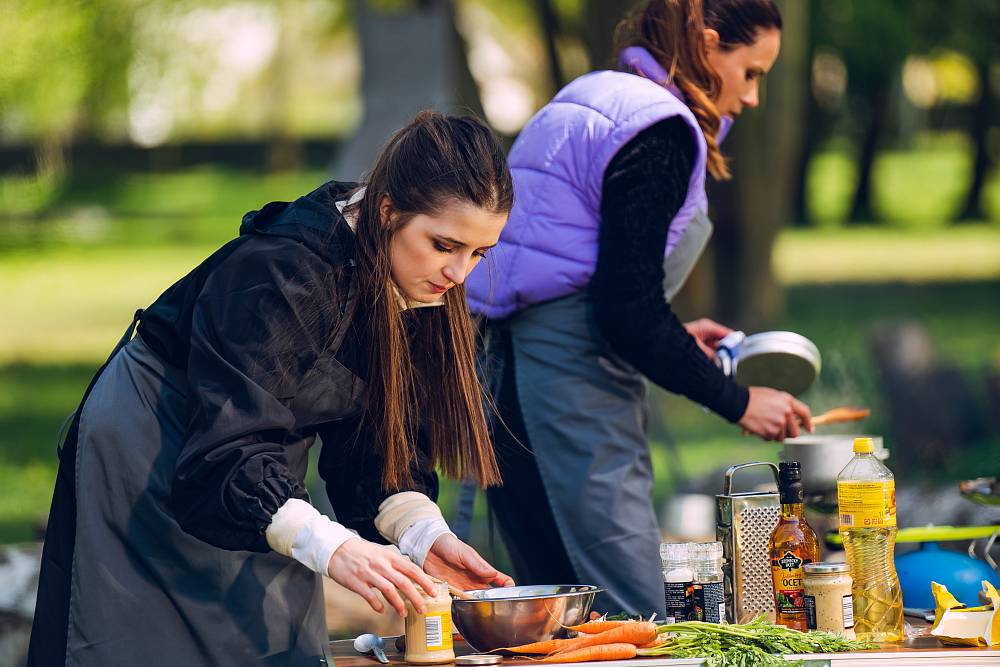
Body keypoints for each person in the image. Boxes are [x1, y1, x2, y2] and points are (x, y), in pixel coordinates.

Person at [29, 111, 515, 666]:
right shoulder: (286, 273)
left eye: (478, 254)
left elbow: (376, 442)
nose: (459, 274)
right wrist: (333, 546)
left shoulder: (421, 285)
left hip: (256, 455)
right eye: (445, 245)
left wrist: (423, 535)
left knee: (275, 637)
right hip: (157, 440)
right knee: (139, 643)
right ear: (386, 212)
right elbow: (227, 448)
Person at [465, 0, 812, 616]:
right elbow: (625, 311)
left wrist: (671, 334)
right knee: (636, 615)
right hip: (567, 390)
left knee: (557, 614)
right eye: (752, 72)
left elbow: (592, 283)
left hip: (507, 375)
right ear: (707, 46)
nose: (753, 97)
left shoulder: (599, 95)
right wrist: (739, 401)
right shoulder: (660, 130)